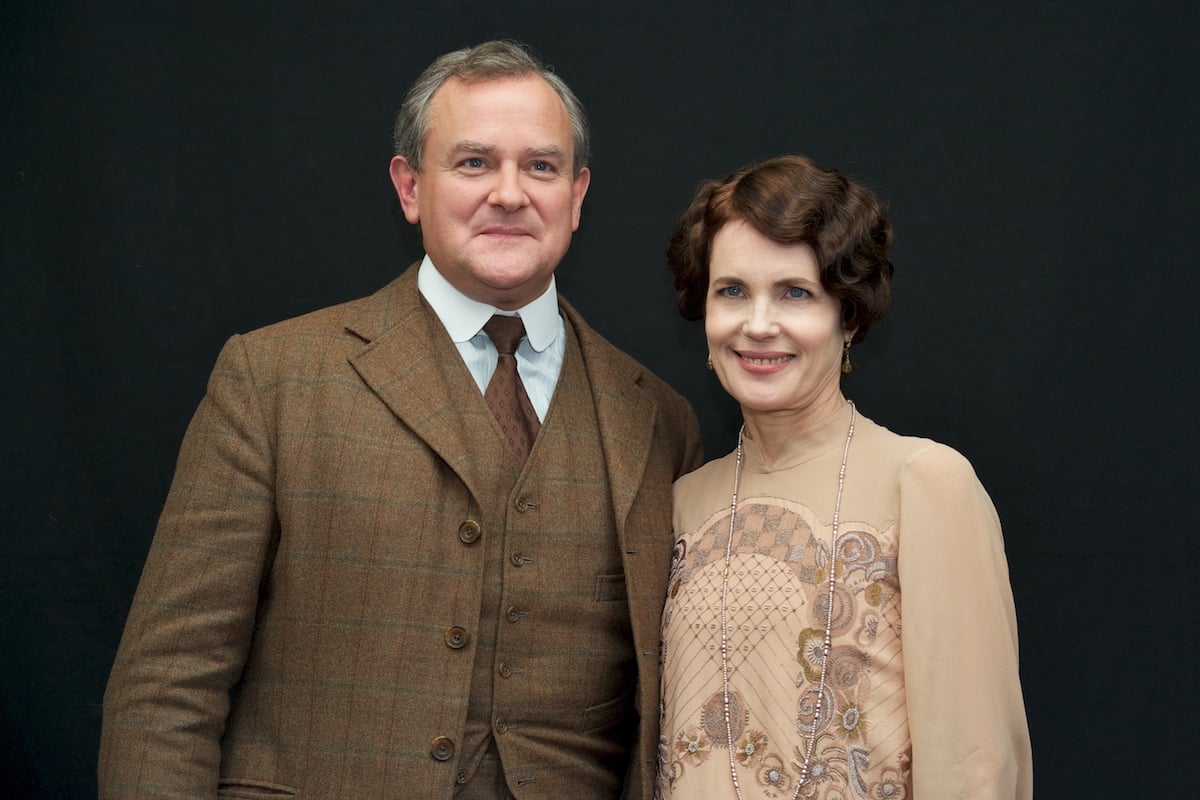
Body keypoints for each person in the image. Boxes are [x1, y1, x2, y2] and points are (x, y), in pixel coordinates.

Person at [99, 40, 703, 800]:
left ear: (577, 197)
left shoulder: (657, 420)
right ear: (410, 187)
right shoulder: (273, 379)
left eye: (541, 166)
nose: (510, 193)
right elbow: (167, 687)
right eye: (474, 162)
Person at [655, 155, 1031, 799]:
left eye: (795, 293)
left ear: (849, 316)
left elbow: (975, 762)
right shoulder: (682, 503)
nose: (758, 324)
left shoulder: (925, 483)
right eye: (732, 291)